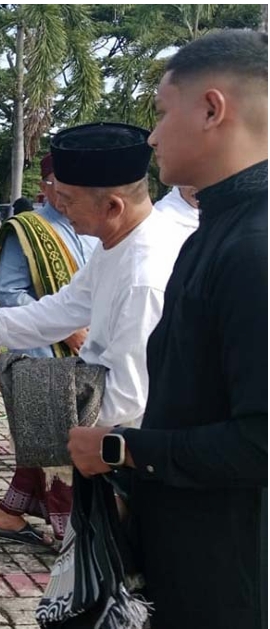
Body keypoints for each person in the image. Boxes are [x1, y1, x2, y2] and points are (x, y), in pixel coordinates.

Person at [66, 31, 267, 629]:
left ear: (211, 109)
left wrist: (122, 448)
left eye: (160, 111)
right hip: (190, 541)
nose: (151, 135)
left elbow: (259, 441)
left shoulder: (253, 248)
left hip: (230, 567)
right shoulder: (216, 230)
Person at [0, 122, 188, 432]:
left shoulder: (144, 276)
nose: (58, 207)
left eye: (67, 198)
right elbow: (63, 308)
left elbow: (125, 398)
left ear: (113, 206)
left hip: (129, 442)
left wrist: (22, 385)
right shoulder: (117, 244)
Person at [0, 152, 98, 547]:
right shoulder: (27, 230)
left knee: (48, 444)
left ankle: (8, 515)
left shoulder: (92, 228)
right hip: (43, 358)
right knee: (60, 448)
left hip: (89, 356)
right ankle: (72, 537)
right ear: (46, 186)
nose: (67, 196)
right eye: (60, 186)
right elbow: (9, 296)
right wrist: (66, 332)